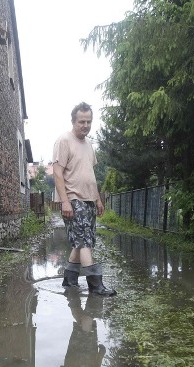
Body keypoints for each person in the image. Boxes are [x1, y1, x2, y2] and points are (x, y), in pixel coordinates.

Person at [52, 102, 116, 296]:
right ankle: (96, 286)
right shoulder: (64, 140)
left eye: (88, 121)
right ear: (73, 121)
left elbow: (90, 175)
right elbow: (57, 172)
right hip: (73, 199)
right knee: (85, 242)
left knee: (82, 241)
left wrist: (97, 200)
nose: (85, 125)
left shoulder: (89, 145)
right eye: (82, 121)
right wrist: (64, 201)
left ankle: (69, 280)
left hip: (88, 200)